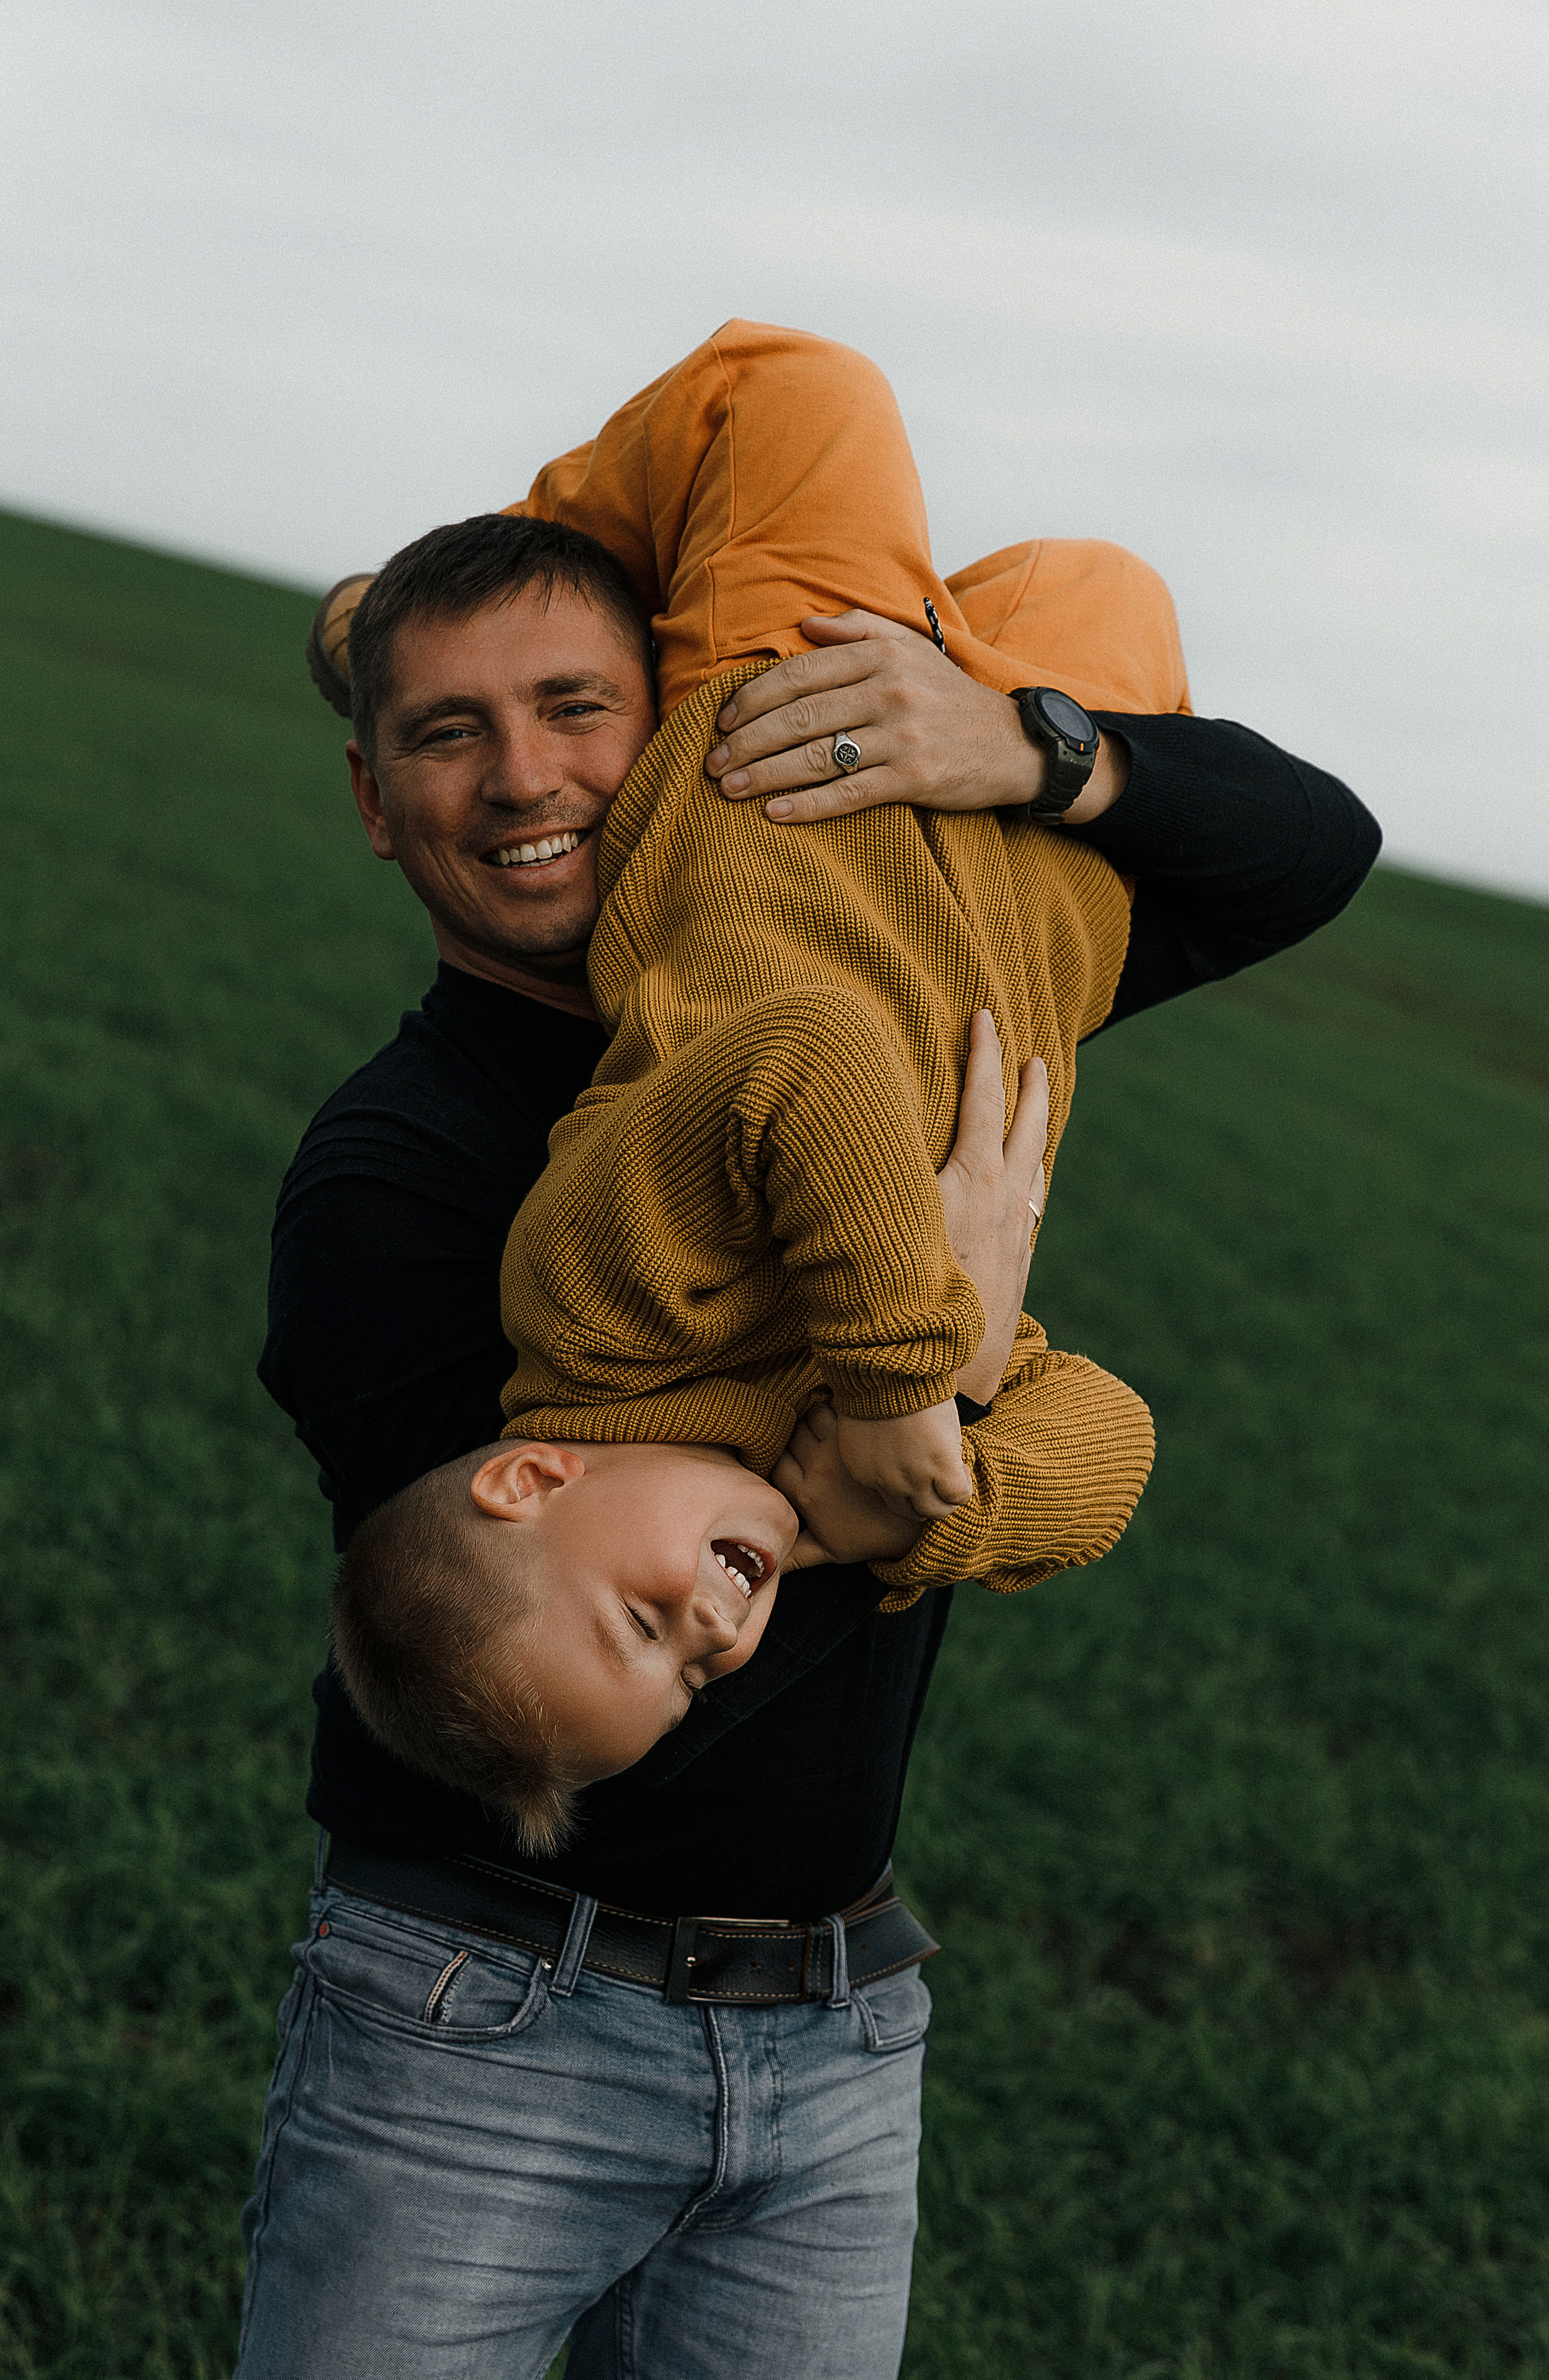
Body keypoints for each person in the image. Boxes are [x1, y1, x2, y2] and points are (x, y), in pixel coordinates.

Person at [240, 325, 1382, 2378]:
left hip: (840, 2025)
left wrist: (1024, 750)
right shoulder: (395, 1173)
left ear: (658, 709)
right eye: (442, 734)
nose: (522, 780)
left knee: (925, 478)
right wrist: (927, 1406)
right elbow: (526, 1599)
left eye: (577, 707)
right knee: (1065, 563)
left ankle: (407, 607)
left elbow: (1308, 846)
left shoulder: (805, 896)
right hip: (489, 2014)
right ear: (371, 797)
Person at [330, 325, 1164, 1849]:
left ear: (528, 1478)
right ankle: (957, 658)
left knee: (797, 392)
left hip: (787, 772)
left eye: (640, 1631)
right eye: (691, 1681)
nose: (714, 1644)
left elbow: (801, 1058)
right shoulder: (835, 1483)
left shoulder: (589, 1308)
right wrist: (922, 1500)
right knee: (1102, 587)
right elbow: (1111, 1438)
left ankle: (404, 619)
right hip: (1034, 901)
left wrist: (901, 1378)